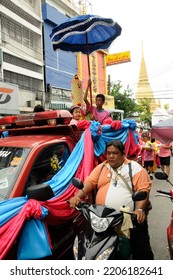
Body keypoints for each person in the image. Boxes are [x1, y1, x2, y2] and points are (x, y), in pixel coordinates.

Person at [69, 139, 154, 260]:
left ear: (123, 153)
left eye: (115, 153)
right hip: (103, 218)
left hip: (129, 218)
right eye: (109, 153)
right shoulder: (102, 167)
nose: (111, 156)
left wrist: (139, 210)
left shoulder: (135, 169)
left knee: (142, 251)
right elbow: (89, 182)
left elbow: (143, 190)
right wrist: (77, 196)